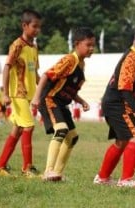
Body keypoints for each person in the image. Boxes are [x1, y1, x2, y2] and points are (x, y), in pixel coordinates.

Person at [93, 21, 135, 189]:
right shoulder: (132, 58)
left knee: (122, 141)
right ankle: (126, 180)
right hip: (117, 103)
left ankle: (102, 178)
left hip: (113, 102)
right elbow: (124, 87)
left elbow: (131, 82)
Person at [31, 27, 95, 181]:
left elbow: (68, 89)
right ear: (77, 44)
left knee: (72, 137)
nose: (92, 49)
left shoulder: (81, 65)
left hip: (61, 103)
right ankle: (48, 171)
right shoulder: (69, 60)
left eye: (93, 45)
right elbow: (46, 75)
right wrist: (36, 97)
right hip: (50, 99)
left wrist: (81, 101)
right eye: (88, 45)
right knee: (61, 130)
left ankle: (57, 174)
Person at [0, 9, 41, 178]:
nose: (37, 30)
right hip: (17, 94)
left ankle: (0, 166)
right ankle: (27, 168)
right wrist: (6, 93)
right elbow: (7, 68)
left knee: (17, 130)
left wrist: (44, 89)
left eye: (39, 27)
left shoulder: (34, 48)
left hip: (29, 95)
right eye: (34, 27)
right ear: (24, 26)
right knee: (29, 126)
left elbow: (35, 72)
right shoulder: (17, 45)